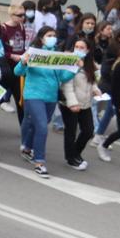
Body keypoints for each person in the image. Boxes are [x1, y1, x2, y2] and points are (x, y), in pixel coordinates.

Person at [14, 26, 76, 178]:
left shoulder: (57, 56)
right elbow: (18, 72)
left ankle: (27, 148)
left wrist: (75, 69)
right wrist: (24, 63)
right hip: (33, 95)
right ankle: (39, 162)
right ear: (41, 38)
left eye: (54, 35)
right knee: (42, 126)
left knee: (39, 124)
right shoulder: (32, 53)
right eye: (49, 35)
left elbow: (63, 77)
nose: (52, 38)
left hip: (50, 97)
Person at [60, 38, 96, 170]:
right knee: (70, 132)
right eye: (76, 47)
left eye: (82, 47)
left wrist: (96, 90)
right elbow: (66, 86)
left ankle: (75, 153)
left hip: (85, 103)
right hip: (70, 104)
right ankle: (70, 159)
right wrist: (72, 104)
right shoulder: (69, 62)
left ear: (88, 50)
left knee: (88, 130)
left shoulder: (89, 63)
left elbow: (93, 81)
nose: (78, 50)